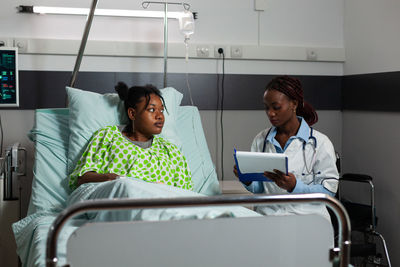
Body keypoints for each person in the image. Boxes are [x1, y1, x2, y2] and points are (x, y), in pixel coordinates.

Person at [233, 75, 339, 221]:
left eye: (276, 107)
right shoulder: (261, 140)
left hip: (308, 221)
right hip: (268, 218)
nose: (270, 113)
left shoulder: (319, 143)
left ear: (294, 104)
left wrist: (295, 186)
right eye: (267, 108)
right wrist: (246, 179)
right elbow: (259, 188)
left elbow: (329, 191)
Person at [68, 82, 193, 192]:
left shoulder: (171, 152)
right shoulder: (108, 136)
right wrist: (112, 179)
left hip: (161, 206)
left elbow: (185, 195)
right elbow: (81, 179)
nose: (159, 116)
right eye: (151, 110)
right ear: (132, 113)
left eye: (161, 110)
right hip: (117, 197)